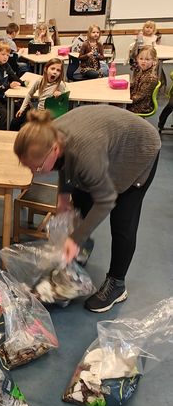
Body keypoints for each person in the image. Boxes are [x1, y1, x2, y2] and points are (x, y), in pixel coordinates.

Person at [13, 106, 160, 312]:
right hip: (106, 143)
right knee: (80, 201)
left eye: (36, 167)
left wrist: (74, 239)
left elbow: (106, 200)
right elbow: (64, 163)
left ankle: (117, 284)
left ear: (53, 150)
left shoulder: (85, 154)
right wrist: (63, 196)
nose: (33, 172)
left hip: (139, 148)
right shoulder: (48, 134)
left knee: (123, 219)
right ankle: (78, 254)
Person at [10, 57, 67, 131]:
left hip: (51, 116)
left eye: (58, 70)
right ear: (46, 69)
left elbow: (62, 105)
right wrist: (22, 109)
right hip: (40, 113)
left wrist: (60, 96)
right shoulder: (40, 81)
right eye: (52, 69)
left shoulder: (60, 85)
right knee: (16, 123)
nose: (55, 72)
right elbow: (29, 94)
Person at [127, 46, 159, 115]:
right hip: (137, 100)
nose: (143, 61)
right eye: (141, 58)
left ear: (154, 61)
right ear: (137, 59)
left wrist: (126, 99)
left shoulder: (150, 78)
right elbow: (135, 85)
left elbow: (140, 96)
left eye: (147, 59)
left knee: (117, 106)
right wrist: (126, 87)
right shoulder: (142, 71)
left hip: (142, 106)